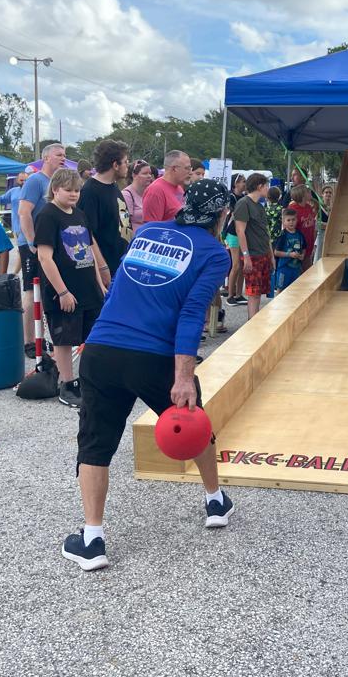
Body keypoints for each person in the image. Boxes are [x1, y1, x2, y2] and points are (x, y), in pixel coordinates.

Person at [61, 179, 236, 571]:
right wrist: (184, 377)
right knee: (195, 422)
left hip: (103, 350)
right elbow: (191, 314)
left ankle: (93, 540)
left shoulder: (148, 232)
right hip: (154, 356)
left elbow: (121, 286)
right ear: (222, 214)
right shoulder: (214, 253)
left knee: (94, 443)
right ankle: (214, 501)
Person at [34, 168, 108, 409]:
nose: (74, 194)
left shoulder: (79, 214)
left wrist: (99, 284)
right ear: (55, 189)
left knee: (92, 338)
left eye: (77, 190)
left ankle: (88, 381)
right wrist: (63, 291)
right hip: (63, 290)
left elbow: (88, 249)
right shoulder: (48, 215)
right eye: (68, 190)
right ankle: (68, 383)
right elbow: (45, 257)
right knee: (64, 340)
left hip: (88, 288)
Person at [18, 143, 66, 357]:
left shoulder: (55, 182)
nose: (63, 158)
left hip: (50, 244)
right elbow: (23, 213)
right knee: (31, 291)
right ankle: (29, 341)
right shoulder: (36, 180)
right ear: (46, 158)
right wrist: (31, 242)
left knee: (46, 291)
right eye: (59, 155)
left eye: (65, 155)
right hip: (33, 245)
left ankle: (44, 337)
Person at [79, 139, 130, 280]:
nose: (128, 166)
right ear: (115, 165)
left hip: (120, 264)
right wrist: (102, 267)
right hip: (106, 268)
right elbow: (87, 234)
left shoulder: (113, 186)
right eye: (125, 162)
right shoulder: (90, 192)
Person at [233, 173, 274, 318]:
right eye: (266, 185)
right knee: (253, 293)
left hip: (263, 253)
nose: (268, 188)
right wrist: (246, 256)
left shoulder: (259, 205)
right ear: (260, 186)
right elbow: (240, 231)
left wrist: (271, 255)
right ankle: (251, 324)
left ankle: (255, 322)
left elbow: (265, 231)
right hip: (253, 254)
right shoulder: (244, 203)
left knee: (259, 293)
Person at [142, 149, 189, 223]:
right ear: (174, 169)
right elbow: (151, 229)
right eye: (187, 168)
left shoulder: (179, 188)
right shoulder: (155, 191)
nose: (190, 172)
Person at [224, 173, 247, 307]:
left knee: (242, 266)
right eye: (242, 181)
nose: (244, 184)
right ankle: (230, 295)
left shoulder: (244, 197)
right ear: (235, 184)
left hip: (242, 233)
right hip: (232, 233)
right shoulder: (231, 197)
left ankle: (239, 294)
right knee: (236, 264)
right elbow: (233, 213)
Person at [273, 208, 307, 293]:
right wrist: (289, 254)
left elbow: (304, 247)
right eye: (288, 220)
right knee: (280, 290)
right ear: (284, 222)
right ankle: (278, 306)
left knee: (294, 290)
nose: (291, 222)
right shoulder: (282, 235)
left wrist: (302, 255)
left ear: (297, 220)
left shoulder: (299, 234)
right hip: (284, 268)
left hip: (296, 269)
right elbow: (276, 252)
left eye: (293, 220)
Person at [288, 184, 317, 273]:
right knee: (300, 275)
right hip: (298, 249)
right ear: (303, 195)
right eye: (308, 191)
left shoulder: (308, 207)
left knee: (308, 273)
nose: (310, 192)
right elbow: (289, 230)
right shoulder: (293, 209)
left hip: (308, 247)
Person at [0, 171, 27, 239]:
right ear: (17, 180)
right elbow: (2, 199)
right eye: (21, 180)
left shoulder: (32, 191)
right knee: (20, 248)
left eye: (26, 180)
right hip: (16, 227)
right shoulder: (13, 191)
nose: (24, 182)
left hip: (30, 226)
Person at [122, 160, 153, 231]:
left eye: (150, 173)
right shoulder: (126, 195)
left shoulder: (150, 193)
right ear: (134, 175)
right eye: (145, 173)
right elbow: (124, 224)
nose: (149, 176)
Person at [314, 184, 333, 262]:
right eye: (326, 192)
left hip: (331, 235)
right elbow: (316, 223)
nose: (328, 194)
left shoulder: (334, 208)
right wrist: (327, 225)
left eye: (330, 193)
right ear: (322, 194)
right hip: (320, 235)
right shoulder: (318, 207)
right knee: (318, 256)